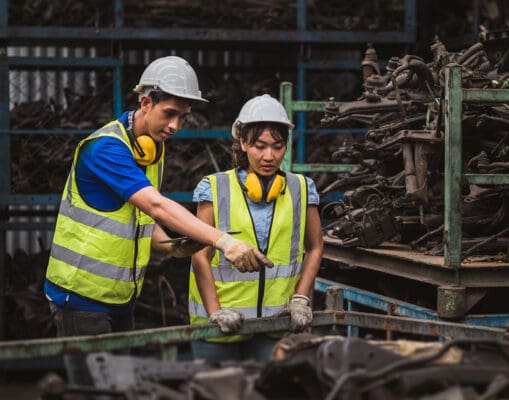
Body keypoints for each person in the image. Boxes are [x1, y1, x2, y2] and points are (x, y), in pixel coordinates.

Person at [44, 56, 273, 385]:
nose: (176, 126)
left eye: (183, 116)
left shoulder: (151, 150)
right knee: (95, 391)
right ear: (146, 102)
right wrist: (223, 241)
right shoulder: (106, 150)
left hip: (119, 297)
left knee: (121, 387)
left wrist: (170, 246)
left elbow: (135, 219)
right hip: (79, 298)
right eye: (170, 114)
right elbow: (155, 205)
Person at [188, 94, 323, 363]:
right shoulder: (215, 188)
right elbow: (199, 255)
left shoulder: (301, 189)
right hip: (217, 330)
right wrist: (216, 312)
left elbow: (315, 247)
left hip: (274, 327)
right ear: (242, 143)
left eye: (277, 146)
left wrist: (300, 298)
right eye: (259, 146)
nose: (269, 156)